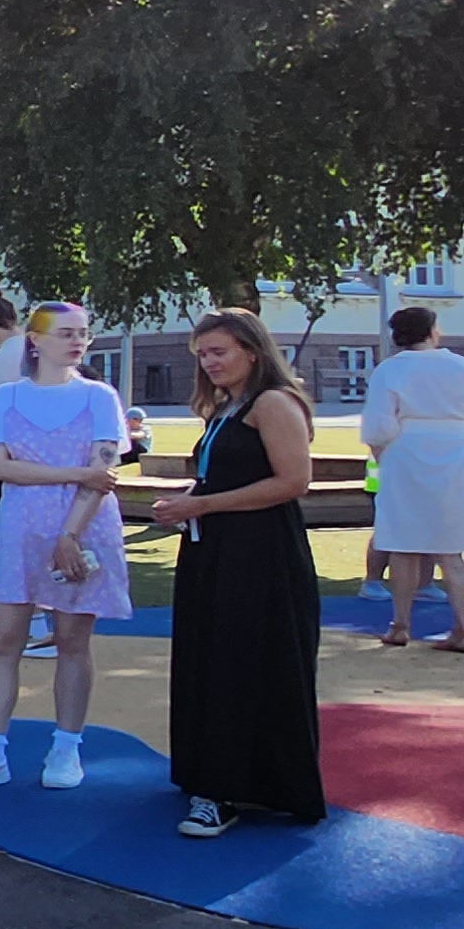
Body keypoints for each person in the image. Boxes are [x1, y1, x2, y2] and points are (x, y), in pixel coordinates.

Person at [147, 310, 322, 837]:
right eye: (202, 354)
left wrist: (203, 506)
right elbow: (221, 476)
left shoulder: (273, 403)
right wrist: (189, 502)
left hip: (261, 556)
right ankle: (210, 775)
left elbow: (294, 481)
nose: (210, 362)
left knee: (245, 662)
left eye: (219, 351)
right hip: (214, 551)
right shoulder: (226, 407)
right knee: (211, 658)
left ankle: (229, 790)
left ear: (252, 349)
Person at [0, 303, 131, 796]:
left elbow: (104, 472)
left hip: (84, 527)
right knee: (5, 638)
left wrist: (69, 534)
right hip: (22, 527)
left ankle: (66, 746)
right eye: (66, 333)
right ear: (36, 339)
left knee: (72, 641)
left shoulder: (99, 396)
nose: (77, 342)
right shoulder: (5, 397)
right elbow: (1, 467)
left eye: (84, 334)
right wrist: (74, 474)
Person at [361, 305, 464, 650]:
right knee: (450, 547)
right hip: (457, 449)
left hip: (406, 450)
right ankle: (463, 628)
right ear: (432, 330)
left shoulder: (390, 369)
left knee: (403, 542)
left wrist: (384, 454)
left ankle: (401, 624)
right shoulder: (462, 366)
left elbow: (379, 424)